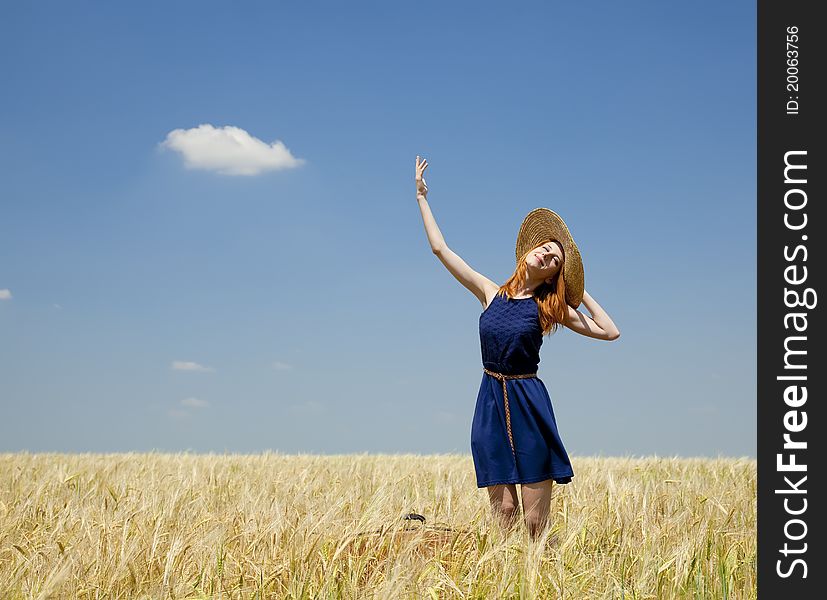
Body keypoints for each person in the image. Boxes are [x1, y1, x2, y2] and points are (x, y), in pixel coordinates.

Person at [414, 155, 620, 541]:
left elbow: (610, 332)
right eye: (544, 248)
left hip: (528, 403)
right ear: (529, 250)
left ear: (553, 274)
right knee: (505, 513)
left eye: (555, 260)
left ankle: (544, 575)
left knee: (534, 523)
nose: (546, 254)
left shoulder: (549, 308)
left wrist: (578, 290)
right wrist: (422, 198)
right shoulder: (490, 293)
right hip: (490, 400)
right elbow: (441, 250)